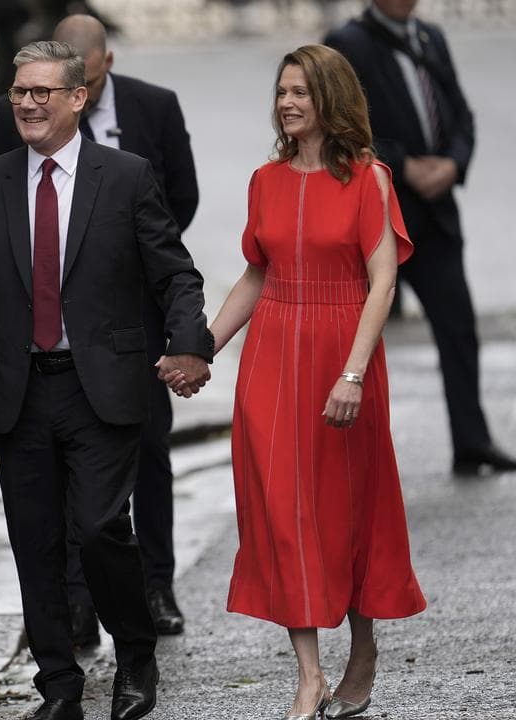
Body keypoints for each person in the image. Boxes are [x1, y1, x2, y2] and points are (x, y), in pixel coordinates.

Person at [0, 40, 213, 720]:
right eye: (19, 91)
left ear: (78, 98)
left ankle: (135, 653)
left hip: (102, 387)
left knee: (103, 527)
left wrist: (189, 345)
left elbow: (176, 275)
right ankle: (59, 687)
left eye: (41, 92)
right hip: (22, 389)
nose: (26, 102)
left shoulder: (128, 176)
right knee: (37, 541)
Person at [197, 45, 426, 720]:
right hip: (272, 355)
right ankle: (307, 675)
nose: (287, 102)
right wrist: (202, 348)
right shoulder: (264, 180)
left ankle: (363, 645)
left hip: (343, 354)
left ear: (331, 99)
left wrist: (352, 372)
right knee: (282, 509)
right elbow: (258, 274)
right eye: (282, 92)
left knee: (345, 507)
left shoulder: (368, 178)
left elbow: (383, 280)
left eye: (300, 91)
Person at [0, 13, 199, 639]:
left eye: (54, 84)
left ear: (99, 68)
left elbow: (178, 202)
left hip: (128, 322)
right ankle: (73, 606)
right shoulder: (14, 121)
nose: (33, 101)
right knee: (50, 494)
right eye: (26, 88)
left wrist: (121, 256)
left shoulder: (151, 112)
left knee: (145, 457)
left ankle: (155, 587)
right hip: (41, 341)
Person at [324, 0, 516, 476]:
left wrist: (453, 163)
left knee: (458, 330)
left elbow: (461, 115)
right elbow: (339, 124)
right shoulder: (349, 44)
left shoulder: (430, 38)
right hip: (377, 217)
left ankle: (471, 442)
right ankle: (342, 454)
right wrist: (403, 164)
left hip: (435, 216)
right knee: (355, 337)